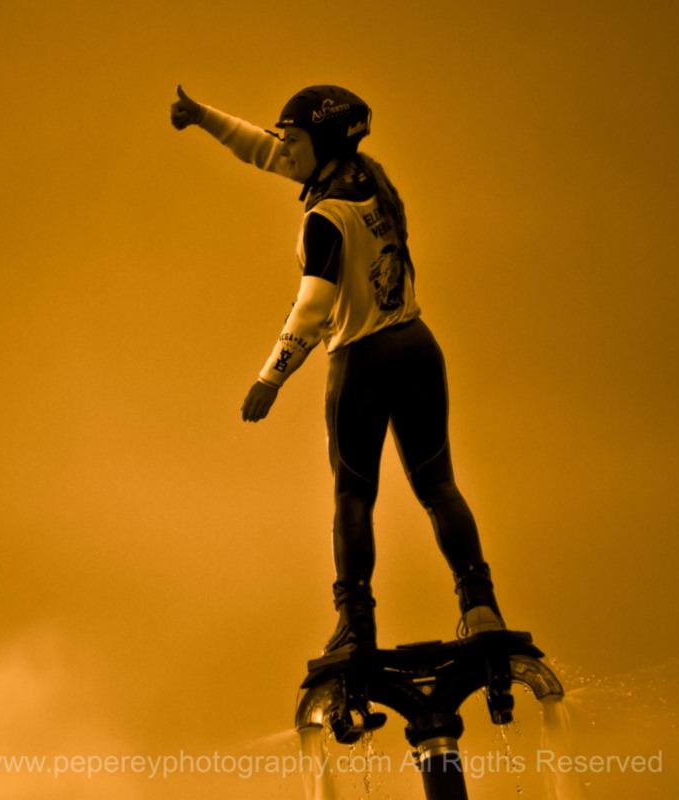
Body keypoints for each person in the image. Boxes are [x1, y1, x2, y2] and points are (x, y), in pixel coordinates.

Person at [170, 85, 505, 655]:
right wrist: (203, 116)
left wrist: (269, 379)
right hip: (417, 348)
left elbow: (313, 307)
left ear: (320, 145)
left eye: (293, 139)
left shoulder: (324, 217)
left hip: (362, 360)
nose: (282, 148)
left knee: (353, 496)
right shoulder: (368, 180)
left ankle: (356, 624)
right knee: (438, 486)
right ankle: (481, 607)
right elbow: (263, 149)